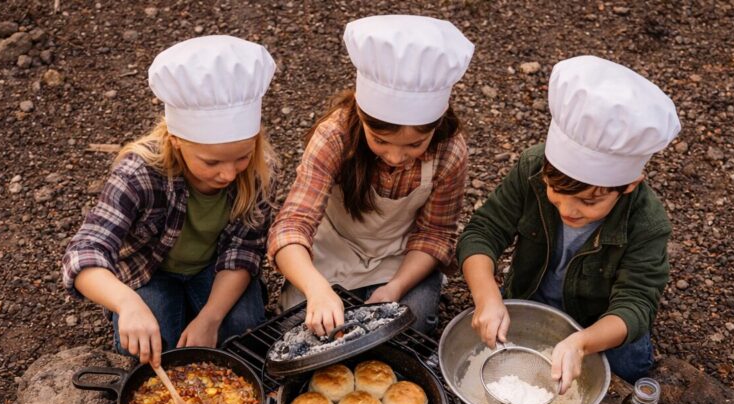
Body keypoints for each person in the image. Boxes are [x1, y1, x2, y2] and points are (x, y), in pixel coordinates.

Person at [456, 55, 681, 392]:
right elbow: (483, 231)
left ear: (629, 185)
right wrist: (487, 296)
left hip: (599, 323)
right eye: (555, 192)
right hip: (530, 297)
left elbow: (636, 304)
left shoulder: (646, 222)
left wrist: (581, 343)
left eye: (589, 202)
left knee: (621, 374)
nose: (568, 209)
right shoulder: (532, 167)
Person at [61, 36, 278, 367]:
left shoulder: (260, 172)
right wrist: (126, 303)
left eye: (241, 158)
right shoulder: (139, 172)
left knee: (244, 330)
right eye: (211, 163)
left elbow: (243, 251)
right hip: (150, 272)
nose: (229, 174)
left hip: (214, 267)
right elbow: (84, 252)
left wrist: (210, 317)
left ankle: (199, 313)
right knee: (147, 346)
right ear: (177, 142)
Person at [268, 15, 473, 336]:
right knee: (298, 326)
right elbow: (293, 224)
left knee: (412, 321)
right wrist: (316, 288)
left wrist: (395, 288)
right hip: (332, 253)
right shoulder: (335, 136)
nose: (395, 157)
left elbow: (435, 235)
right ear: (362, 117)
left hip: (400, 259)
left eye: (415, 145)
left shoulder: (450, 151)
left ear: (436, 124)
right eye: (380, 141)